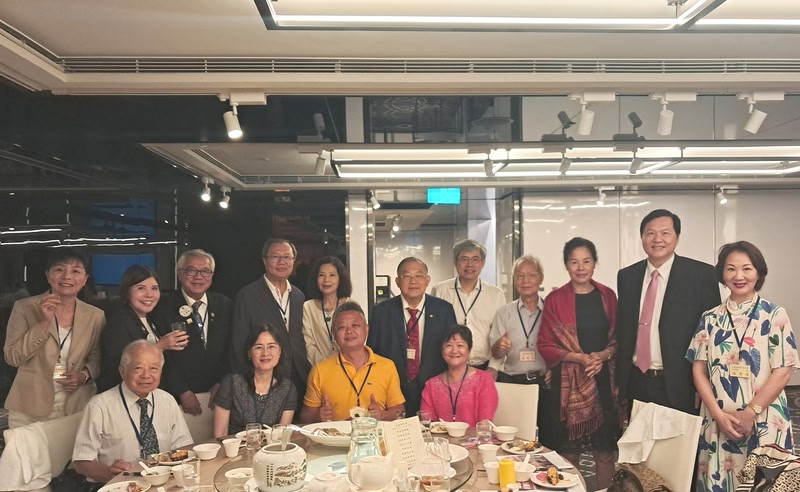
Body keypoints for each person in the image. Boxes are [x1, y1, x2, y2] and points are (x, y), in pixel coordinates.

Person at [687, 241, 797, 491]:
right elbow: (698, 371)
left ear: (758, 272)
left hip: (764, 419)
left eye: (747, 268)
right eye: (731, 269)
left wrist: (749, 413)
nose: (739, 276)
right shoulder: (709, 318)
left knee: (765, 484)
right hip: (719, 421)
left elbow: (783, 371)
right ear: (722, 274)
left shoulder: (774, 314)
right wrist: (718, 415)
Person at [615, 209, 721, 414]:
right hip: (636, 381)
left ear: (677, 237)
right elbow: (624, 330)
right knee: (638, 435)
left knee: (679, 436)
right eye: (650, 233)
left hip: (681, 384)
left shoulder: (701, 275)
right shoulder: (627, 276)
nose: (657, 239)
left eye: (665, 233)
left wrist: (705, 383)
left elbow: (711, 334)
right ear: (642, 237)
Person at [537, 238, 623, 489]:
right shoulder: (555, 299)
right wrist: (580, 358)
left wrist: (602, 356)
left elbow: (619, 339)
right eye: (574, 262)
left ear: (594, 263)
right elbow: (545, 344)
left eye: (586, 261)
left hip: (603, 381)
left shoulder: (608, 296)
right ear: (566, 265)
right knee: (569, 455)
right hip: (566, 388)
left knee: (604, 452)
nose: (581, 267)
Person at [3, 249, 105, 428]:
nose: (67, 276)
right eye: (59, 269)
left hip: (75, 405)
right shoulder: (24, 308)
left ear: (85, 280)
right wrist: (44, 323)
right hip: (29, 407)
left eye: (75, 271)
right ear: (48, 276)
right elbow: (13, 357)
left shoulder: (95, 315)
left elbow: (97, 357)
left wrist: (83, 376)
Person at [73, 340, 193, 484]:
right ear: (122, 371)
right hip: (119, 486)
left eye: (154, 369)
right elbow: (81, 462)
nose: (146, 375)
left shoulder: (167, 401)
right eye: (138, 368)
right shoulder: (99, 406)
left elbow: (183, 448)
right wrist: (109, 472)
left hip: (165, 482)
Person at [367, 257, 457, 416]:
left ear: (427, 280)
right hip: (393, 392)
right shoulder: (382, 311)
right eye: (407, 276)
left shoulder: (444, 309)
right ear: (397, 281)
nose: (413, 281)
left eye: (419, 276)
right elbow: (373, 353)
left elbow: (452, 350)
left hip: (434, 388)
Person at [230, 239, 310, 410]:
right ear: (264, 261)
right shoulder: (247, 296)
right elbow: (239, 343)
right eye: (275, 257)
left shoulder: (299, 296)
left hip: (299, 378)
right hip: (264, 380)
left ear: (294, 261)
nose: (282, 262)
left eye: (287, 257)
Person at [152, 249, 233, 416]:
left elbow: (232, 348)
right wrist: (181, 389)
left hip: (219, 394)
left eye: (205, 271)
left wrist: (223, 382)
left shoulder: (225, 305)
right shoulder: (162, 308)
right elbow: (162, 355)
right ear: (179, 273)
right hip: (178, 396)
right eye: (191, 270)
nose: (198, 276)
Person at [489, 255, 555, 448]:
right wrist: (499, 346)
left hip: (543, 382)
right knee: (512, 440)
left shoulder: (551, 311)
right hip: (512, 382)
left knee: (548, 439)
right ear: (514, 280)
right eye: (520, 276)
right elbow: (495, 354)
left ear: (540, 278)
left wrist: (555, 369)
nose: (525, 281)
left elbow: (561, 345)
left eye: (531, 275)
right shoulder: (504, 312)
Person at [301, 302, 405, 423]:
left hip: (375, 434)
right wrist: (319, 417)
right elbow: (305, 415)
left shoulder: (387, 366)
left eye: (355, 325)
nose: (349, 331)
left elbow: (401, 413)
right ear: (334, 334)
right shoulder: (319, 371)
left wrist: (382, 415)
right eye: (341, 327)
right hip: (336, 435)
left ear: (366, 329)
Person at [97, 265, 188, 392]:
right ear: (127, 292)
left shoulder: (150, 319)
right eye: (141, 288)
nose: (149, 295)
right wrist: (160, 346)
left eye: (154, 288)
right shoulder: (118, 322)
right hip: (124, 397)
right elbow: (119, 368)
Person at [431, 239, 506, 374]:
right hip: (447, 368)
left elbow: (500, 334)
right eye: (464, 259)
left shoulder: (496, 294)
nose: (470, 264)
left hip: (484, 367)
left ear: (483, 263)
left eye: (475, 259)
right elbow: (434, 332)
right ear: (455, 262)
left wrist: (493, 367)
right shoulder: (440, 290)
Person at [213, 326, 297, 437]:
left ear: (280, 351)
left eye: (271, 347)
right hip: (235, 447)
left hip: (272, 446)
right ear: (249, 352)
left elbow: (281, 435)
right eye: (258, 347)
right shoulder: (231, 383)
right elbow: (220, 435)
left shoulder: (287, 388)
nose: (265, 353)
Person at [420, 325, 498, 425]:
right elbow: (427, 424)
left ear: (469, 350)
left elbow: (485, 424)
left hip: (476, 435)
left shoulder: (484, 379)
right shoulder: (431, 385)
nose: (454, 350)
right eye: (449, 345)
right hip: (441, 436)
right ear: (442, 351)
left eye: (460, 345)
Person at [302, 256, 352, 365]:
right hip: (318, 367)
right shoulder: (308, 307)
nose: (326, 280)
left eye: (332, 275)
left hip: (347, 366)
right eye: (322, 275)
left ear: (340, 278)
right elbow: (308, 344)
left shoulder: (350, 305)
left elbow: (355, 341)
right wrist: (326, 367)